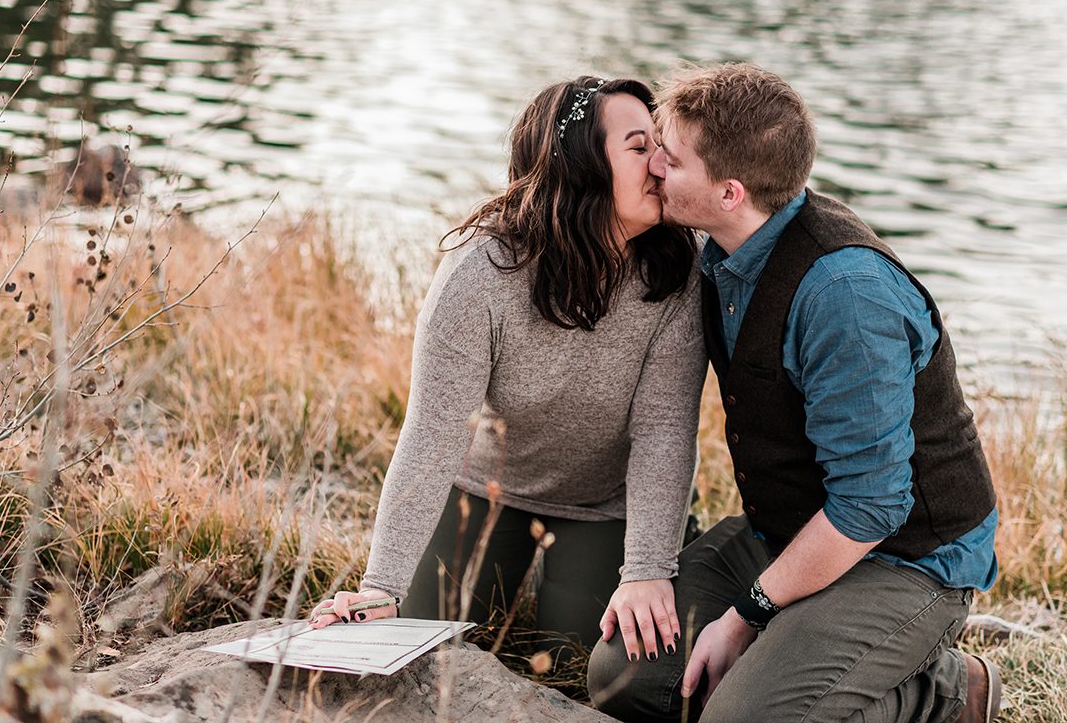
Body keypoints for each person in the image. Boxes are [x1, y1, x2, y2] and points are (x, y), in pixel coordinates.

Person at [587, 63, 1003, 723]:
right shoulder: (719, 249)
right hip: (792, 531)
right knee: (623, 676)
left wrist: (750, 614)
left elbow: (873, 507)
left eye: (671, 155)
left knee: (738, 716)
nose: (654, 165)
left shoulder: (845, 294)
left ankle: (950, 691)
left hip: (907, 557)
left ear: (729, 192)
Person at [307, 77, 707, 666]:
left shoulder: (680, 269)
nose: (662, 164)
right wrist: (383, 585)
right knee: (413, 642)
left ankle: (672, 548)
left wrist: (647, 569)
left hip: (607, 502)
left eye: (661, 144)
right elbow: (431, 434)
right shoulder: (480, 273)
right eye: (639, 145)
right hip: (485, 491)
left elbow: (664, 430)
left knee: (580, 662)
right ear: (578, 168)